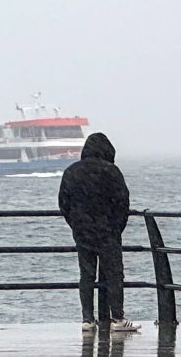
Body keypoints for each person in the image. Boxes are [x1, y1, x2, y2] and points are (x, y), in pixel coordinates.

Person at [58, 132, 140, 332]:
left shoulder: (71, 172)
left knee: (86, 275)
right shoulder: (111, 172)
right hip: (108, 232)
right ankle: (117, 318)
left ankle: (87, 319)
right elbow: (123, 202)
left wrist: (76, 224)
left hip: (82, 232)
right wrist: (115, 227)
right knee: (114, 275)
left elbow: (63, 203)